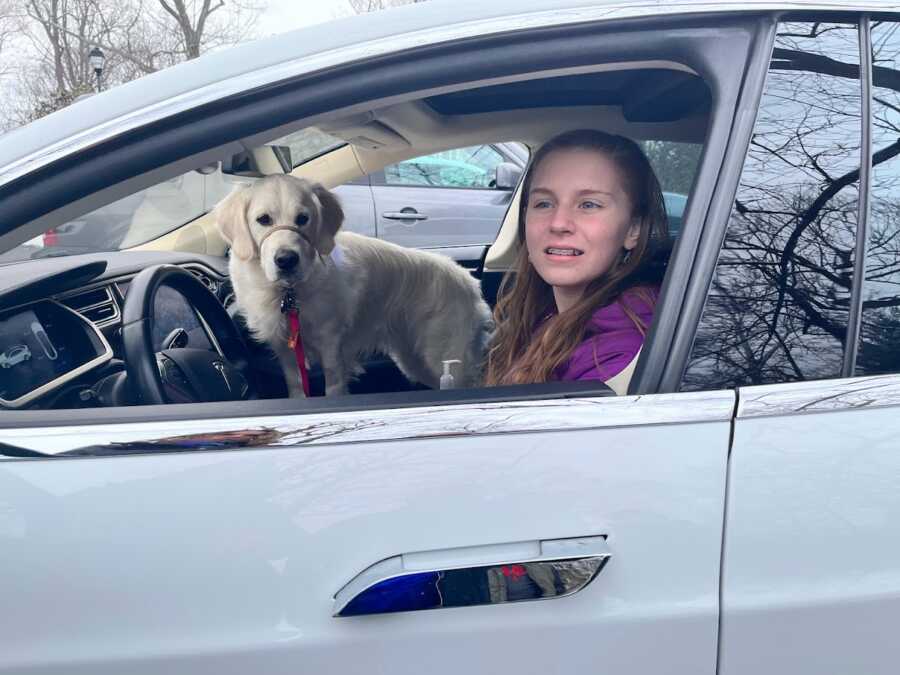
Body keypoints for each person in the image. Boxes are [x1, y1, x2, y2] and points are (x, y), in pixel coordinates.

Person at [484, 129, 670, 393]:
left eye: (589, 205)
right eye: (544, 203)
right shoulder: (548, 315)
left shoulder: (616, 355)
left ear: (633, 230)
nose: (559, 223)